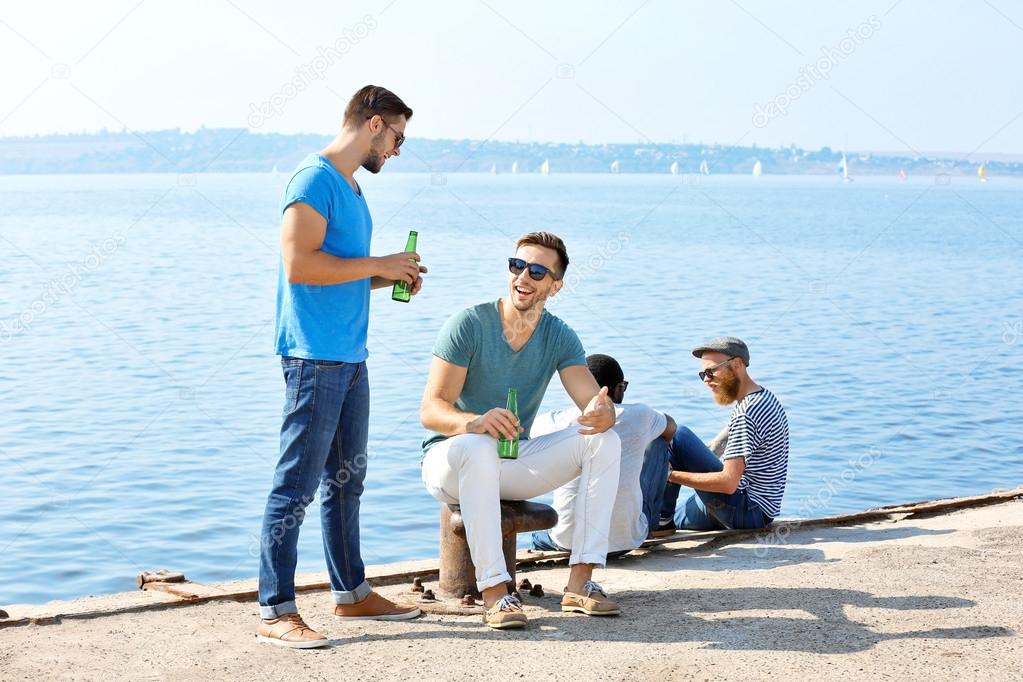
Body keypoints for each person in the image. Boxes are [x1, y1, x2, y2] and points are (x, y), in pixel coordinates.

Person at [257, 85, 427, 649]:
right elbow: (301, 265)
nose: (398, 150)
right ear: (374, 124)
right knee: (295, 488)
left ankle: (351, 595)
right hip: (313, 357)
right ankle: (274, 609)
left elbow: (343, 271)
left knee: (346, 483)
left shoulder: (353, 188)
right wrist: (378, 262)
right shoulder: (313, 180)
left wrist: (389, 276)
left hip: (351, 358)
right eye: (398, 136)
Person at [419, 232, 622, 630]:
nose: (522, 277)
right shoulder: (469, 324)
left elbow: (591, 402)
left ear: (554, 285)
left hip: (509, 463)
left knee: (604, 441)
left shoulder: (559, 336)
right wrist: (472, 422)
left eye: (537, 270)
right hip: (448, 462)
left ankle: (580, 583)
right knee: (478, 445)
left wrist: (605, 412)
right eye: (517, 266)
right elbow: (431, 409)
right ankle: (496, 593)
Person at [529, 354, 677, 555]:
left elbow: (525, 435)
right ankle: (661, 520)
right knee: (658, 441)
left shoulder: (555, 420)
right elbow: (672, 427)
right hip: (626, 541)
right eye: (622, 387)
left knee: (539, 534)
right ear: (615, 389)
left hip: (567, 543)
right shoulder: (640, 415)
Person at [656, 337, 789, 532]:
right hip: (752, 510)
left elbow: (728, 483)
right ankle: (662, 521)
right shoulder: (763, 397)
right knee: (673, 517)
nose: (707, 380)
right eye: (703, 374)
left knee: (677, 434)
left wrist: (670, 475)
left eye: (711, 371)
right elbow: (718, 445)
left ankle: (659, 522)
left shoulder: (747, 413)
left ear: (736, 364)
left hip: (747, 511)